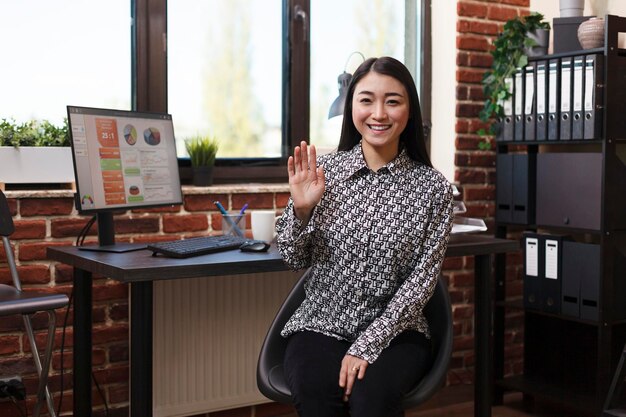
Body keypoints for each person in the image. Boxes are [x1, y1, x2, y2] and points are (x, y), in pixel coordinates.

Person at [275, 56, 454, 417]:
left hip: (397, 331)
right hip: (322, 323)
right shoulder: (324, 174)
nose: (379, 113)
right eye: (367, 100)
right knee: (317, 394)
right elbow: (293, 258)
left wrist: (367, 345)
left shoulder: (433, 189)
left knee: (371, 401)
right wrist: (302, 210)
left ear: (409, 110)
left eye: (393, 101)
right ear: (352, 106)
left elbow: (421, 285)